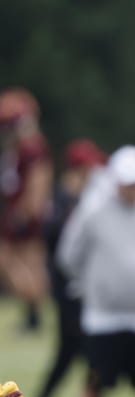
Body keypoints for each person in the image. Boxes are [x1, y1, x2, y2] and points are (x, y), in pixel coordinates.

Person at [56, 145, 135, 397]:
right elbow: (69, 255)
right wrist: (93, 286)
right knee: (95, 387)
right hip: (103, 318)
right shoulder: (93, 210)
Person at [36, 138, 107, 397]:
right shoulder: (62, 204)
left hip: (81, 292)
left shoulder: (79, 201)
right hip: (67, 293)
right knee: (85, 353)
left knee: (72, 355)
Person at [0, 86, 53, 333]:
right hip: (18, 211)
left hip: (25, 215)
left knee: (24, 263)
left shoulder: (32, 147)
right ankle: (32, 316)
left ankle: (35, 316)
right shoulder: (21, 148)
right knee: (23, 265)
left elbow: (38, 180)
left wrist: (27, 211)